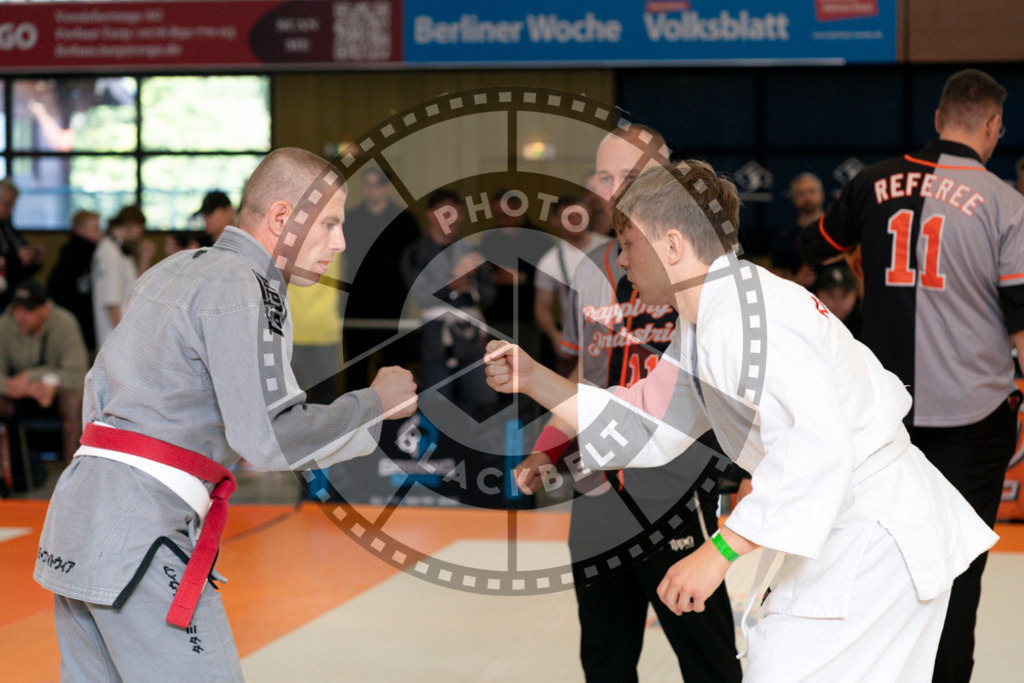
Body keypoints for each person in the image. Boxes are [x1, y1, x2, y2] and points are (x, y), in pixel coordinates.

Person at [486, 158, 996, 681]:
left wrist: (719, 551)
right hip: (854, 527)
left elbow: (819, 446)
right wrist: (534, 378)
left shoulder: (741, 321)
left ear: (673, 245)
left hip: (871, 533)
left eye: (628, 244)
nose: (620, 262)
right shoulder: (713, 316)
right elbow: (644, 419)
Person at [34, 147, 418, 680]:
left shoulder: (171, 271)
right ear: (283, 217)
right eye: (330, 223)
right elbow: (269, 438)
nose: (340, 241)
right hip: (141, 536)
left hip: (79, 520)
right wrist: (375, 402)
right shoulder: (246, 285)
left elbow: (100, 393)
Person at [797, 68, 1024, 682]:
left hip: (882, 417)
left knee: (872, 560)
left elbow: (817, 250)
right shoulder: (1005, 203)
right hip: (973, 417)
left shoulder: (872, 183)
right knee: (958, 567)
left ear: (937, 118)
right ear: (992, 125)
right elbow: (1021, 318)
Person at [515, 126, 741, 683]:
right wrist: (548, 447)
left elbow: (732, 371)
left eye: (632, 178)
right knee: (605, 656)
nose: (616, 191)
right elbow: (584, 373)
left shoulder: (697, 259)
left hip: (676, 482)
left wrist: (743, 471)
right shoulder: (589, 266)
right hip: (599, 486)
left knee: (705, 652)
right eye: (606, 177)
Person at [401, 188, 496, 420]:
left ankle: (480, 453)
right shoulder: (416, 252)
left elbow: (490, 294)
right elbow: (421, 295)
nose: (452, 220)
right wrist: (453, 280)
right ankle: (439, 454)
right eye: (446, 213)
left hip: (470, 334)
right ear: (430, 214)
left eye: (457, 213)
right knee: (437, 399)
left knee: (481, 396)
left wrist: (469, 288)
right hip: (435, 335)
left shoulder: (471, 251)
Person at [0, 280, 88, 487]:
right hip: (17, 399)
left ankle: (74, 482)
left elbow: (79, 375)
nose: (21, 316)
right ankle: (4, 479)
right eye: (17, 309)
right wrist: (13, 387)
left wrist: (34, 376)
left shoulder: (65, 323)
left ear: (45, 309)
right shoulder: (4, 325)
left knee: (75, 402)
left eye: (28, 310)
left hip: (56, 400)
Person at [342, 168, 421, 389]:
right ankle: (356, 422)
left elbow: (415, 265)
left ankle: (396, 422)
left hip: (393, 308)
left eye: (376, 185)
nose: (371, 190)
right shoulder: (351, 220)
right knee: (355, 373)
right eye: (367, 184)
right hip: (358, 306)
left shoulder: (405, 222)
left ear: (387, 187)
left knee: (395, 371)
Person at [533, 194, 610, 376]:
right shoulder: (550, 262)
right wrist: (555, 336)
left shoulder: (610, 247)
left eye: (579, 215)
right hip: (577, 341)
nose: (575, 221)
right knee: (573, 397)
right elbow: (542, 308)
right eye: (569, 217)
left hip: (613, 335)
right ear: (555, 221)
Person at [90, 205, 154, 349]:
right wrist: (123, 338)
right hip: (115, 336)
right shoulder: (109, 253)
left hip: (124, 329)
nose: (140, 234)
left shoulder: (121, 251)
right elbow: (111, 302)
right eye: (140, 228)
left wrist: (145, 258)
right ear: (131, 225)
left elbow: (136, 286)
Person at [48, 210, 103, 352]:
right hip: (76, 320)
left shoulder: (97, 254)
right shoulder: (73, 258)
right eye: (94, 228)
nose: (100, 233)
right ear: (79, 230)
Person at [771, 172, 825, 289]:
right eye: (801, 193)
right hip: (799, 301)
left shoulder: (838, 232)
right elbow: (775, 281)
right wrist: (796, 280)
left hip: (839, 303)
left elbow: (856, 272)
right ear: (794, 199)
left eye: (811, 191)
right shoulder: (784, 238)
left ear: (822, 195)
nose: (807, 197)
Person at [0, 178, 44, 310]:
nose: (11, 210)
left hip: (16, 295)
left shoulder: (7, 226)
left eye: (13, 205)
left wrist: (34, 259)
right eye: (7, 204)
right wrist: (16, 258)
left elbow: (22, 259)